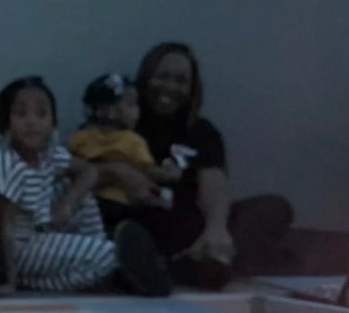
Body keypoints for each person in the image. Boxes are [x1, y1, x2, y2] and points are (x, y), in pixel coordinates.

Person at [96, 42, 294, 289]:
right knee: (115, 232)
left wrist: (216, 228)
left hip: (194, 233)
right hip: (140, 229)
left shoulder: (201, 131)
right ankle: (167, 265)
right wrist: (120, 171)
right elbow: (83, 172)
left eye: (181, 81)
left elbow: (214, 184)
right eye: (162, 77)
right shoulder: (120, 122)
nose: (170, 87)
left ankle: (202, 262)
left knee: (273, 208)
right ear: (145, 78)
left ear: (191, 89)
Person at [0, 76, 171, 296]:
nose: (32, 122)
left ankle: (97, 254)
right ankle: (108, 265)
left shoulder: (49, 155)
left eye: (41, 114)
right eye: (21, 114)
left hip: (42, 233)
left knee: (77, 189)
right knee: (108, 256)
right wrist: (8, 281)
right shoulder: (6, 163)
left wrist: (66, 203)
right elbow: (5, 229)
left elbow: (88, 171)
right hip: (13, 249)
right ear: (4, 124)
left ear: (52, 123)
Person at [67, 72, 177, 207]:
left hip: (86, 201)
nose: (137, 110)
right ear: (110, 112)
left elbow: (66, 165)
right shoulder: (133, 142)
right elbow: (148, 170)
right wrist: (169, 173)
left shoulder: (80, 138)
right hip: (120, 205)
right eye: (132, 104)